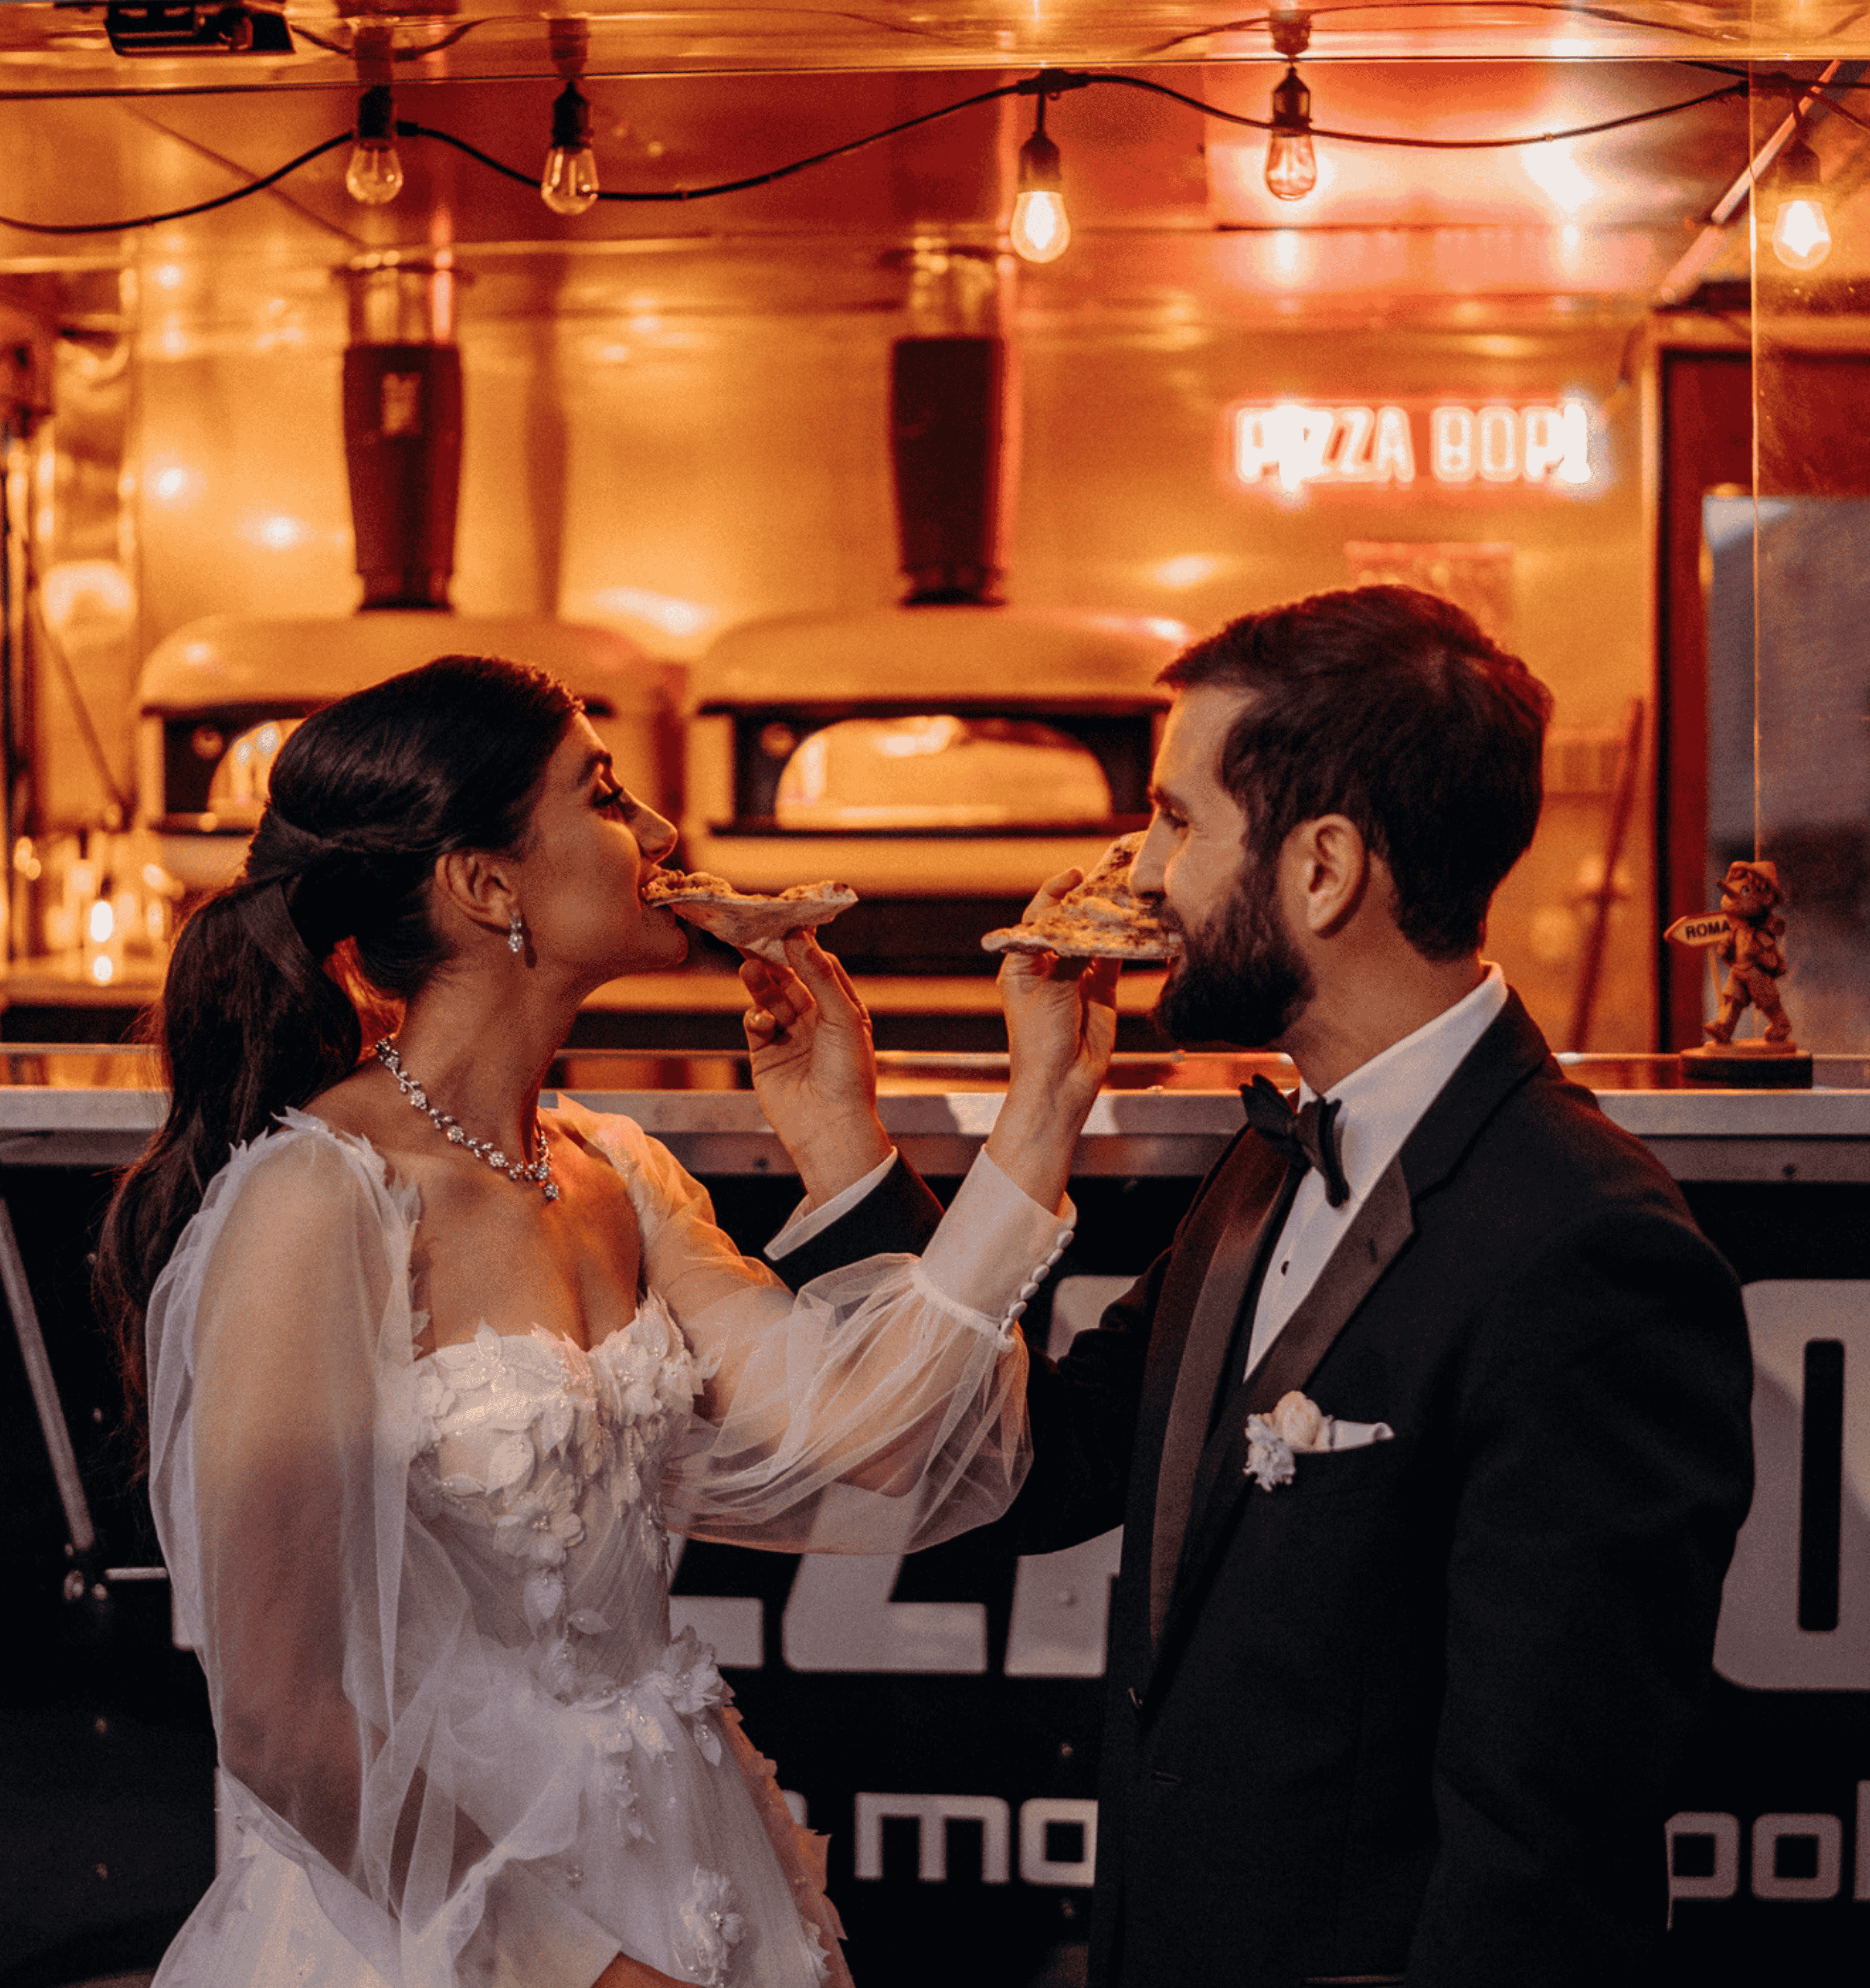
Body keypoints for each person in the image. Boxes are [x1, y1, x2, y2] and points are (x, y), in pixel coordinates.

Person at [781, 587, 1757, 1986]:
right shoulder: (1268, 1161)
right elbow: (1050, 1465)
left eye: (1179, 823)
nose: (1140, 870)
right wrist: (858, 1145)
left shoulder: (1590, 1253)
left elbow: (1547, 1858)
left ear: (1322, 870)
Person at [95, 656, 1112, 1988]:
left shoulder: (612, 1170)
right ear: (486, 884)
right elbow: (284, 1722)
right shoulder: (321, 1200)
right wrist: (590, 1972)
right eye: (608, 795)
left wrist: (1020, 1112)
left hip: (681, 1856)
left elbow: (872, 1444)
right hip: (447, 1919)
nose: (662, 836)